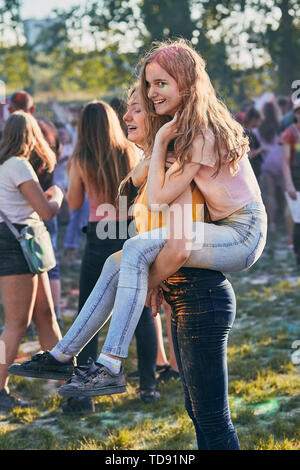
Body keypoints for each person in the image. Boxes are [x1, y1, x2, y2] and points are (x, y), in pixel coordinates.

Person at [9, 39, 266, 405]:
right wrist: (152, 155)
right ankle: (62, 356)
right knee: (118, 260)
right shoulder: (184, 133)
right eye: (149, 85)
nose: (152, 92)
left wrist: (159, 144)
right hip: (224, 229)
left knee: (132, 248)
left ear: (188, 83)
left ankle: (111, 363)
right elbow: (152, 203)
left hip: (243, 233)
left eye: (161, 83)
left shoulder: (197, 133)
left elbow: (161, 202)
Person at [0, 111, 63, 411]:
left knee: (46, 316)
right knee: (15, 325)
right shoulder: (18, 165)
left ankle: (70, 384)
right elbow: (47, 211)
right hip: (17, 246)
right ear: (29, 136)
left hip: (18, 245)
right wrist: (58, 194)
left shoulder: (4, 165)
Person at [8, 91, 64, 329]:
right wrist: (56, 193)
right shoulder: (48, 131)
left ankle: (33, 322)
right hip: (37, 209)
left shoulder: (13, 155)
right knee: (49, 264)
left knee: (31, 316)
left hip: (24, 216)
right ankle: (50, 316)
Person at [254, 102, 285, 232]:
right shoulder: (281, 126)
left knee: (270, 194)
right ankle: (284, 217)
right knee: (284, 191)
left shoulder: (259, 129)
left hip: (267, 162)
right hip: (282, 161)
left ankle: (271, 223)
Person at [281, 99, 300, 269]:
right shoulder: (290, 133)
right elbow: (285, 162)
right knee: (298, 221)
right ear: (296, 114)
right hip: (296, 181)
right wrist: (289, 184)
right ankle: (298, 258)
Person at [243, 107, 266, 182]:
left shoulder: (245, 131)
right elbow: (249, 154)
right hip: (252, 171)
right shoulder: (247, 134)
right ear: (253, 119)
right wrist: (261, 149)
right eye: (259, 121)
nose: (259, 124)